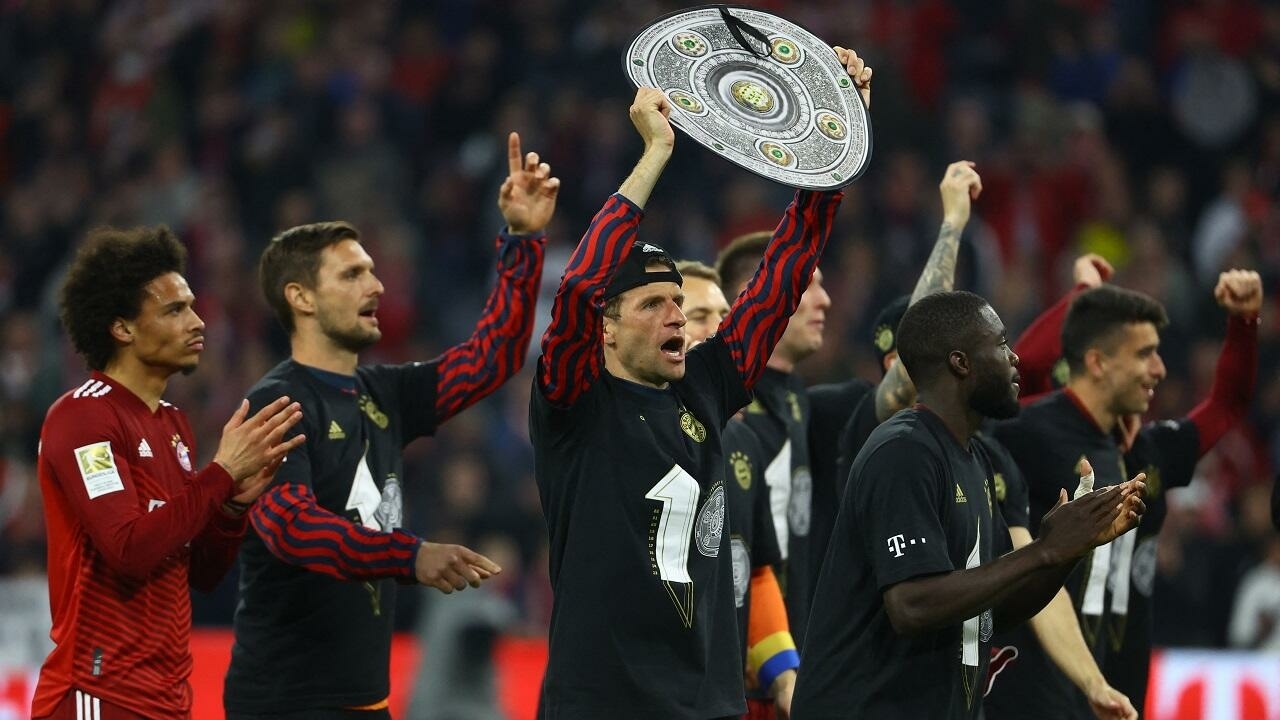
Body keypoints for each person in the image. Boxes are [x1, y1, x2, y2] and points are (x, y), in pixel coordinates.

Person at [530, 44, 865, 716]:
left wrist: (837, 135)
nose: (677, 317)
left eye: (679, 304)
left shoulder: (706, 388)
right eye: (653, 305)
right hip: (601, 703)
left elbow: (784, 272)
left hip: (707, 704)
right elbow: (574, 292)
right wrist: (654, 155)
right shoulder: (575, 402)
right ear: (608, 328)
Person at [224, 132, 559, 719]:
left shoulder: (383, 393)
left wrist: (522, 241)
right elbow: (291, 529)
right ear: (300, 297)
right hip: (285, 703)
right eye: (352, 275)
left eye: (373, 272)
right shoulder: (275, 404)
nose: (376, 286)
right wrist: (410, 556)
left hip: (367, 701)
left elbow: (493, 357)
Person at [790, 290, 1146, 720]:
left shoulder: (975, 460)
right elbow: (911, 605)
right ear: (961, 363)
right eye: (1000, 344)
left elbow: (994, 608)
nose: (1014, 358)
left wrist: (1069, 550)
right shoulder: (904, 452)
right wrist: (1043, 549)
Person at [31, 226, 305, 720]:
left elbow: (197, 569)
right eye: (175, 310)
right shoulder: (81, 418)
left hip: (167, 698)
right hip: (99, 693)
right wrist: (220, 474)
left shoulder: (175, 425)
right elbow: (130, 548)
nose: (198, 322)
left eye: (193, 306)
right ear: (123, 328)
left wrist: (232, 506)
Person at [717, 160, 980, 651]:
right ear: (754, 296)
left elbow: (909, 372)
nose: (826, 301)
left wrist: (952, 225)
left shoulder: (812, 411)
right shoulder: (707, 402)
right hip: (715, 661)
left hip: (787, 661)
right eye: (809, 285)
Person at [986, 271, 1262, 715]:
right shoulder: (1030, 434)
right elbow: (1026, 365)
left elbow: (1228, 404)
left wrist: (1245, 321)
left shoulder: (1146, 450)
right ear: (1097, 362)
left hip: (1119, 691)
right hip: (1038, 691)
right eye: (1145, 354)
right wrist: (1081, 294)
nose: (1160, 369)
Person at [677, 260, 796, 718]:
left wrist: (785, 675)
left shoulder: (745, 442)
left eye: (725, 316)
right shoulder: (625, 429)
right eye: (701, 315)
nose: (720, 327)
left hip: (722, 700)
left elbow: (753, 571)